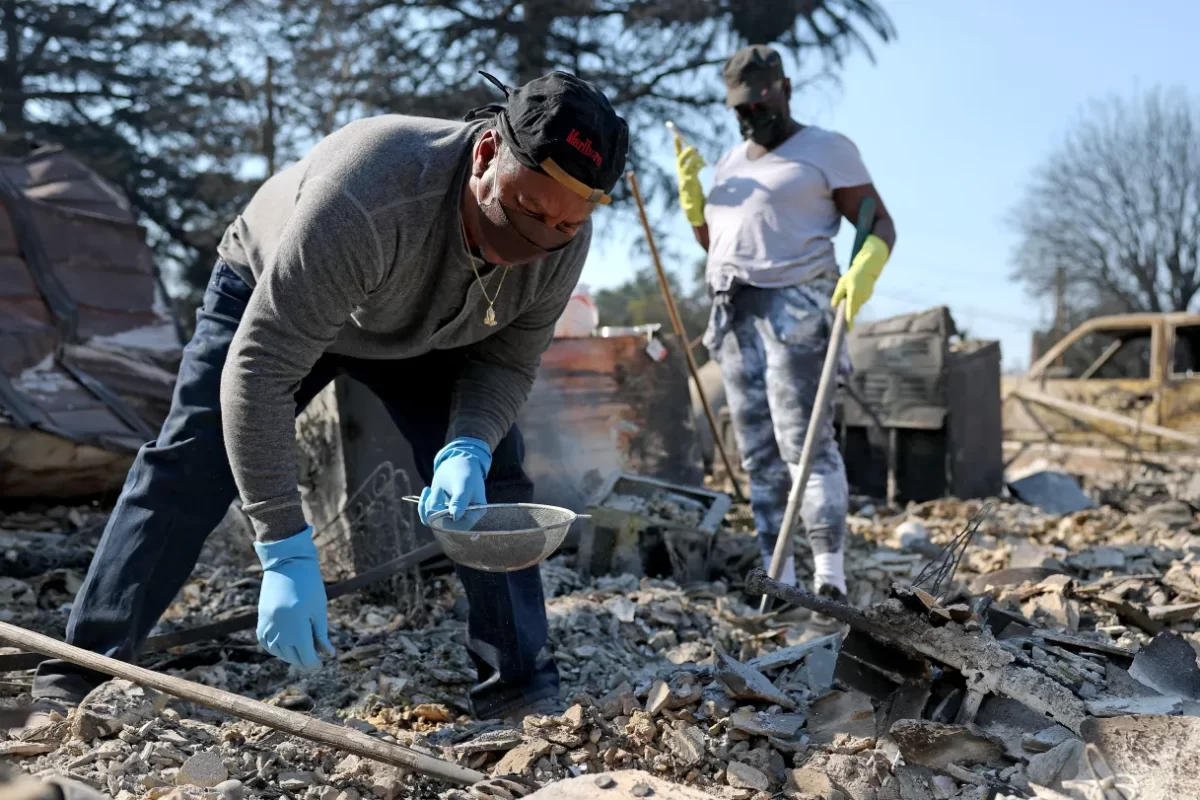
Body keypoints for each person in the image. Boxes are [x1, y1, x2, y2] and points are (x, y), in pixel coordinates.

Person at [29, 70, 629, 723]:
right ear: (486, 153)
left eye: (564, 226)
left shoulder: (562, 235)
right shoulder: (370, 194)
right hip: (277, 295)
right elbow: (257, 372)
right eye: (527, 211)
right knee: (190, 463)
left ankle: (519, 683)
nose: (536, 242)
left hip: (422, 330)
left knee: (498, 484)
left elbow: (507, 362)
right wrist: (283, 547)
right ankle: (84, 666)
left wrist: (469, 444)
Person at [673, 45, 895, 620]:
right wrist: (697, 205)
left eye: (759, 100)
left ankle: (829, 579)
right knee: (758, 454)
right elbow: (723, 242)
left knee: (805, 445)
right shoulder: (728, 163)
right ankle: (780, 579)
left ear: (784, 88)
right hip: (734, 312)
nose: (750, 114)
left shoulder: (825, 149)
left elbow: (879, 221)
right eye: (740, 107)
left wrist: (865, 267)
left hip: (796, 307)